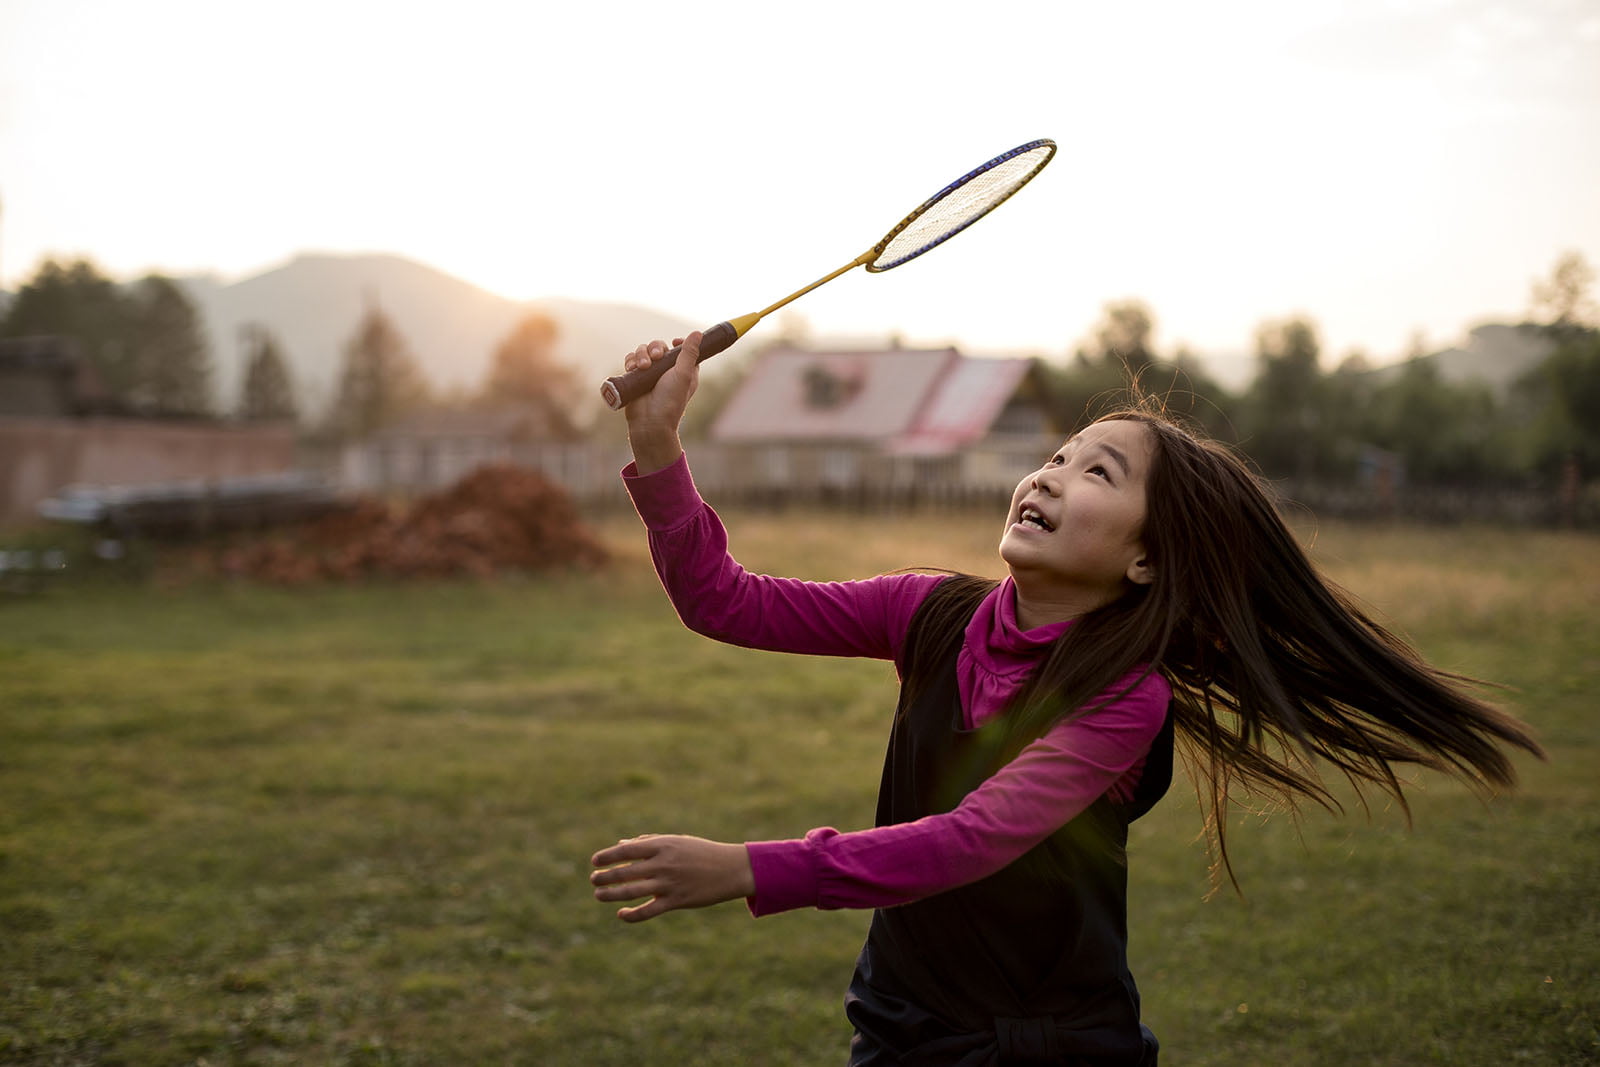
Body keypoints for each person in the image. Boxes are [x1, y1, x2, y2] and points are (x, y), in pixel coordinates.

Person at [589, 332, 1544, 1066]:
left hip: (1054, 1044)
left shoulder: (1125, 701)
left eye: (1100, 472)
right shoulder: (927, 611)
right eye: (1058, 453)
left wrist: (756, 867)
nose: (1050, 474)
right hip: (898, 1028)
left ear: (1145, 557)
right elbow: (724, 601)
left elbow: (969, 839)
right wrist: (659, 448)